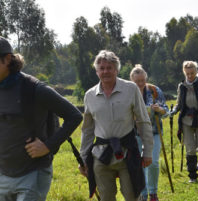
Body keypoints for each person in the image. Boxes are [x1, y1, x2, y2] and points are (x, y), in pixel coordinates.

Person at [0, 36, 83, 201]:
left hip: (32, 173)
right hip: (3, 173)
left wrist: (47, 146)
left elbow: (74, 115)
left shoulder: (35, 89)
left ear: (8, 59)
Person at [79, 50, 153, 201]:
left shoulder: (131, 89)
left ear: (116, 69)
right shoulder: (89, 95)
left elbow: (143, 121)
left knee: (133, 195)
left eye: (109, 67)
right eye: (102, 68)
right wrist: (84, 158)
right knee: (106, 197)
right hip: (101, 155)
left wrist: (148, 151)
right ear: (97, 71)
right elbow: (87, 130)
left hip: (127, 153)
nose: (105, 71)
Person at [170, 61, 198, 183]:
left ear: (196, 72)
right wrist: (174, 111)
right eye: (187, 73)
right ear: (184, 73)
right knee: (190, 148)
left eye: (192, 73)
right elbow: (179, 103)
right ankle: (192, 175)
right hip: (186, 121)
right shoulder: (181, 86)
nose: (190, 76)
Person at [130, 64, 169, 201]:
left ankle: (153, 192)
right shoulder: (128, 92)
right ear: (132, 81)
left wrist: (159, 109)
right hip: (135, 133)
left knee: (153, 162)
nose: (140, 84)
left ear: (146, 79)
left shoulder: (154, 91)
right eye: (137, 81)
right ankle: (143, 192)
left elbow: (166, 111)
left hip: (154, 132)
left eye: (142, 80)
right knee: (139, 163)